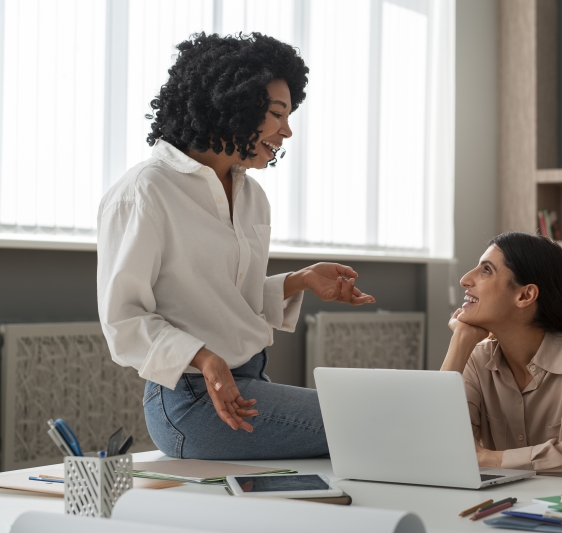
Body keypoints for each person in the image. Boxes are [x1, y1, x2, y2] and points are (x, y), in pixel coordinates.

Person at [97, 32, 374, 460]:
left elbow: (219, 301)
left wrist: (299, 281)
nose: (287, 130)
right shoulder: (145, 192)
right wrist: (206, 359)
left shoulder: (251, 195)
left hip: (247, 385)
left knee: (364, 428)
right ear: (233, 104)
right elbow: (124, 321)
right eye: (277, 113)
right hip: (191, 401)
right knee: (368, 420)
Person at [441, 232, 562, 477]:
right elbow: (434, 448)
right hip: (506, 507)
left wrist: (489, 459)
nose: (465, 279)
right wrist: (461, 340)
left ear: (525, 295)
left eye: (487, 270)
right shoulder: (478, 358)